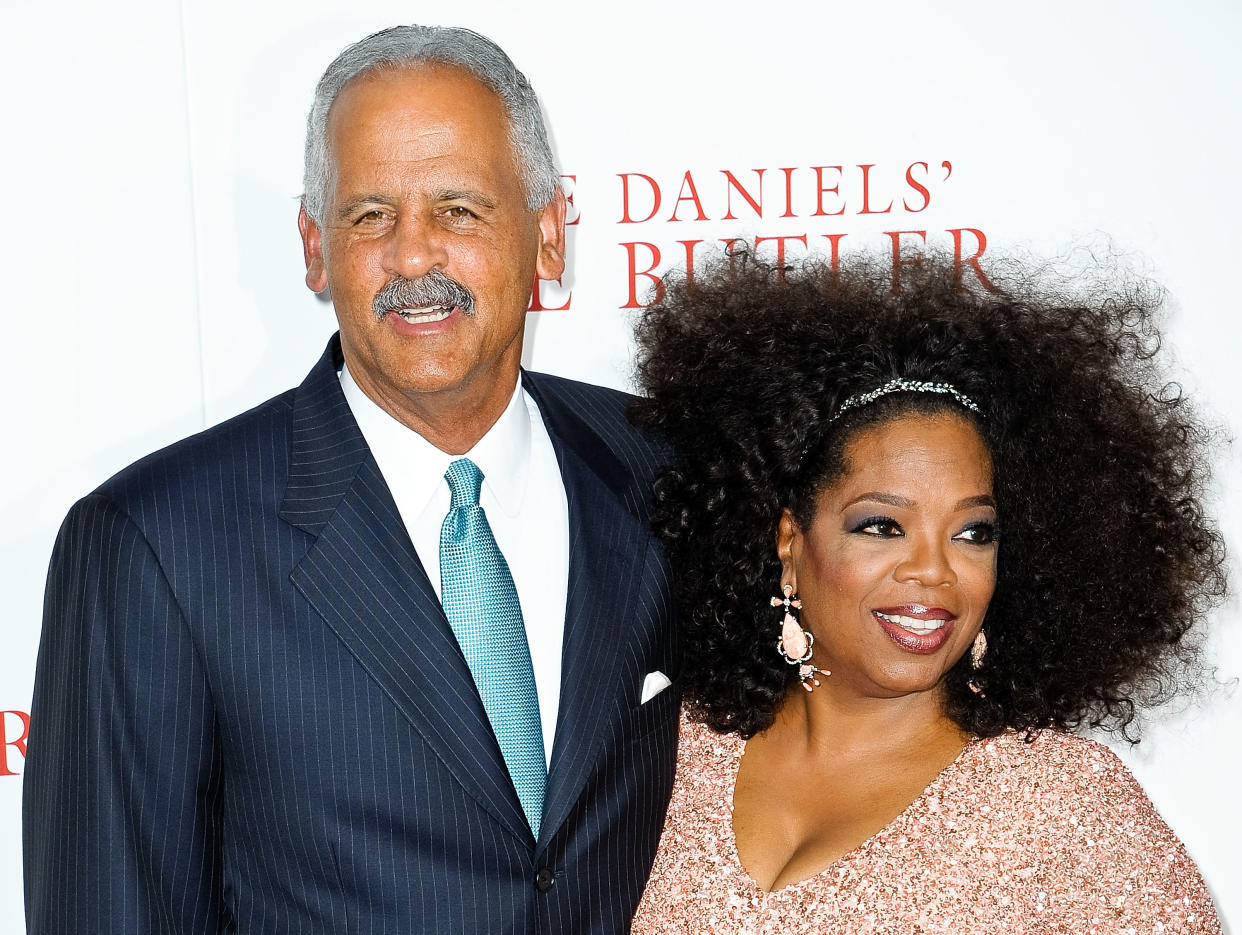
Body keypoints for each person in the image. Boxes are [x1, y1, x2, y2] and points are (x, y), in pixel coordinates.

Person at [24, 25, 678, 934]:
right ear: (314, 248)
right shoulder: (155, 544)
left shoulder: (667, 473)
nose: (413, 258)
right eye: (370, 216)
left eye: (458, 209)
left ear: (548, 234)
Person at [628, 251, 1227, 933]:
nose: (934, 571)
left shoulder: (1065, 805)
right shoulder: (668, 750)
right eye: (883, 525)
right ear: (790, 540)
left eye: (974, 532)